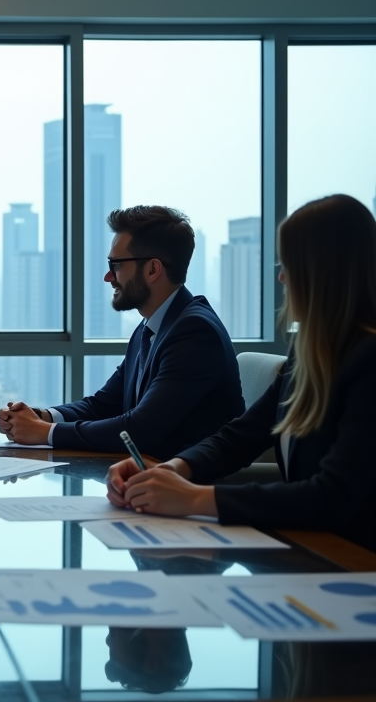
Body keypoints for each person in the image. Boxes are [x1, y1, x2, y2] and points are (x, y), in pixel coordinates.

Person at [106, 194, 376, 553]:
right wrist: (173, 470)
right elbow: (242, 436)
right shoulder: (310, 353)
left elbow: (333, 494)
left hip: (351, 561)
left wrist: (196, 499)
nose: (281, 277)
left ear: (325, 272)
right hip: (305, 550)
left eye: (289, 264)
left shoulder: (368, 360)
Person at [0, 206, 244, 459]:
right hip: (145, 477)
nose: (108, 277)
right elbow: (104, 404)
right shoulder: (151, 328)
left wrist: (45, 432)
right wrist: (42, 416)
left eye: (115, 265)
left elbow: (140, 429)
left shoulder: (195, 333)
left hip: (186, 489)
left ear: (152, 270)